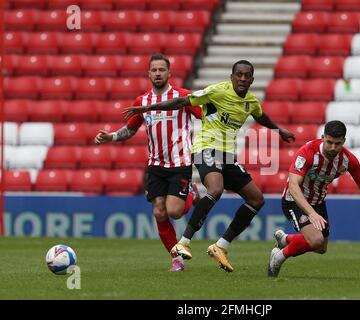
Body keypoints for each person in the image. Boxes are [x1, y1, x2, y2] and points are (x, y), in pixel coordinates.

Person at [124, 60, 296, 272]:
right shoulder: (216, 91)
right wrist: (148, 107)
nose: (242, 79)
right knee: (216, 188)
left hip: (227, 156)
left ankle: (221, 246)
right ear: (231, 76)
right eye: (238, 74)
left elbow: (261, 116)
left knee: (256, 199)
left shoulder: (251, 101)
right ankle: (183, 242)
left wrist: (280, 130)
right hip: (205, 148)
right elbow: (182, 102)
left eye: (246, 75)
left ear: (252, 79)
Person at [95, 53, 202, 272]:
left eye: (162, 70)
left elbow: (206, 115)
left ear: (169, 73)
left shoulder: (183, 97)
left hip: (180, 162)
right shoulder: (142, 102)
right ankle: (177, 259)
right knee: (159, 212)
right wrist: (112, 137)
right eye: (154, 70)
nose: (158, 73)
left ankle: (192, 192)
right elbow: (130, 130)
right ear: (148, 73)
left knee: (174, 211)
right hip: (155, 166)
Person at [267, 120, 360, 277]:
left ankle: (285, 239)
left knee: (321, 248)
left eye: (338, 143)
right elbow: (294, 186)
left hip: (318, 202)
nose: (333, 147)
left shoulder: (348, 159)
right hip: (295, 201)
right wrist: (311, 213)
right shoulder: (307, 152)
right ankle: (278, 257)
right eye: (329, 142)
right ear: (322, 138)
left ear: (344, 141)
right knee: (316, 240)